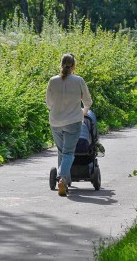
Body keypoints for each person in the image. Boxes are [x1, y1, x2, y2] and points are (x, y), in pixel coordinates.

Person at [46, 53, 92, 196]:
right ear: (73, 66)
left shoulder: (52, 81)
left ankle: (66, 181)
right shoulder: (78, 80)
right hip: (73, 121)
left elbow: (49, 103)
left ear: (61, 64)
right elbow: (88, 101)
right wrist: (84, 111)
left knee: (62, 151)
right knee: (68, 153)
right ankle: (61, 178)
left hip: (55, 121)